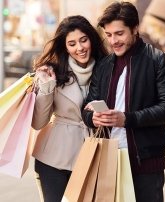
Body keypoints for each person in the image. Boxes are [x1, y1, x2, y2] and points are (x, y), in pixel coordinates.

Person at [81, 1, 165, 202]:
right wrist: (93, 118)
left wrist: (127, 119)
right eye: (108, 35)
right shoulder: (103, 65)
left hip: (145, 162)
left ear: (135, 28)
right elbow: (87, 106)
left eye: (119, 34)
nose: (113, 41)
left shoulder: (159, 60)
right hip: (108, 160)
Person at [31, 15, 107, 202]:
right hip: (53, 157)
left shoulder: (108, 68)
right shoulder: (53, 72)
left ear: (92, 39)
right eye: (72, 44)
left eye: (83, 40)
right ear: (65, 47)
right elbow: (39, 122)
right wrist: (47, 86)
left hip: (92, 155)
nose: (79, 48)